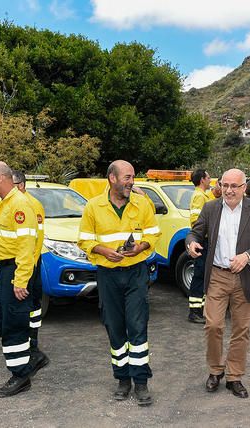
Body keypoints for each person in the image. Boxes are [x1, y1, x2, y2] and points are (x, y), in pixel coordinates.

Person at [78, 160, 160, 406]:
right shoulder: (93, 207)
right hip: (108, 274)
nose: (131, 181)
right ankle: (123, 380)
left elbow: (153, 233)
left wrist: (140, 247)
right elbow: (84, 240)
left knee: (137, 326)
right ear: (112, 178)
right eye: (127, 177)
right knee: (114, 327)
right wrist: (104, 251)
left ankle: (141, 382)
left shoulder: (142, 203)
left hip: (136, 273)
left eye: (133, 176)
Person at [186, 168, 250, 399]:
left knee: (241, 329)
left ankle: (234, 376)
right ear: (220, 186)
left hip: (246, 276)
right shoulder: (211, 208)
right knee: (213, 325)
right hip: (217, 276)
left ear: (244, 188)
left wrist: (247, 256)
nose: (229, 190)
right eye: (225, 185)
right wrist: (191, 244)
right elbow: (195, 233)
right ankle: (215, 370)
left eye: (234, 186)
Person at [0, 161, 39, 398]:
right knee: (1, 319)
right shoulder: (5, 203)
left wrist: (20, 280)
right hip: (5, 269)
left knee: (13, 323)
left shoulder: (19, 204)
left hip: (16, 270)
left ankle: (20, 375)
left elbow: (27, 246)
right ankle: (30, 358)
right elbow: (5, 241)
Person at [12, 170, 50, 370]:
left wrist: (29, 268)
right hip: (19, 263)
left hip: (29, 263)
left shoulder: (32, 205)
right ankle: (27, 345)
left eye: (16, 184)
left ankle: (33, 346)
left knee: (32, 306)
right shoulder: (11, 203)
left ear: (23, 185)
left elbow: (36, 240)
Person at [188, 168, 213, 324]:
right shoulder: (199, 196)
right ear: (202, 179)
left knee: (203, 275)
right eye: (208, 177)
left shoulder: (203, 195)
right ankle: (194, 312)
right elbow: (196, 221)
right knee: (199, 275)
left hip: (203, 239)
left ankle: (200, 309)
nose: (210, 179)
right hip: (202, 241)